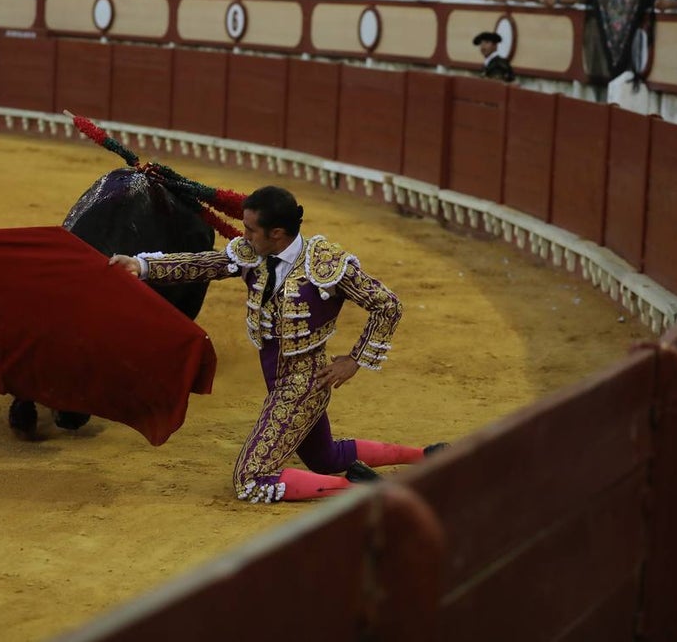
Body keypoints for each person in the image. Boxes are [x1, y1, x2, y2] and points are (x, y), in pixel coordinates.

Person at [109, 186, 447, 504]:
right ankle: (427, 455)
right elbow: (206, 264)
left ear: (277, 234)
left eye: (251, 230)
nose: (244, 236)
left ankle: (362, 491)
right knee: (326, 457)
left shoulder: (327, 265)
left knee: (251, 480)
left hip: (303, 383)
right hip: (277, 376)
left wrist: (355, 360)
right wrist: (141, 265)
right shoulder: (254, 253)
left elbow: (387, 304)